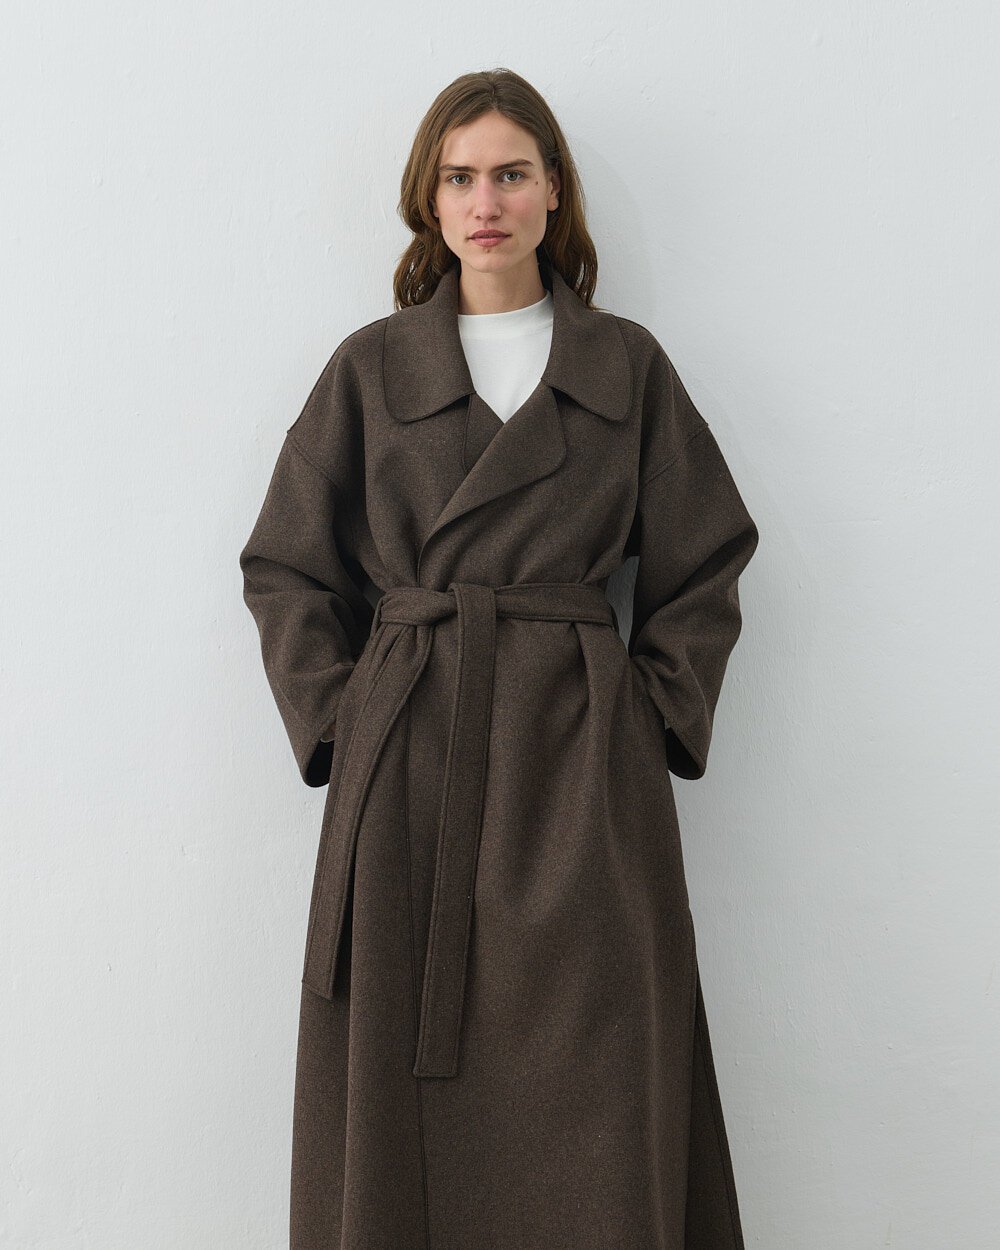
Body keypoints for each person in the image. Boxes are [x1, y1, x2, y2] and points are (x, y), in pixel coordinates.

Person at [239, 66, 760, 1250]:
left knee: (598, 1071)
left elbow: (706, 558)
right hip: (410, 769)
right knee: (408, 1107)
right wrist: (346, 720)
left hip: (579, 775)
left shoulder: (624, 367)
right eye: (461, 176)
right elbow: (286, 565)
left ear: (553, 190)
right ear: (428, 199)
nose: (487, 202)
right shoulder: (371, 369)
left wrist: (642, 714)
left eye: (512, 174)